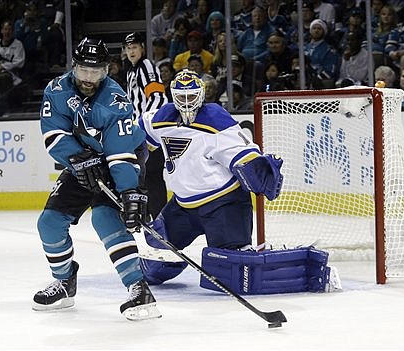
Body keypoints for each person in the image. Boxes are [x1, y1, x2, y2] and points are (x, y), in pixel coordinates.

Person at [33, 37, 160, 321]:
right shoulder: (56, 90)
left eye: (96, 72)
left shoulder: (115, 101)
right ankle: (65, 282)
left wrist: (129, 192)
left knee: (105, 217)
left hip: (121, 156)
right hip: (82, 156)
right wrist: (78, 158)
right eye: (83, 71)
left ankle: (138, 288)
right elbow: (53, 134)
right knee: (49, 224)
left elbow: (120, 153)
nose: (89, 78)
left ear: (106, 70)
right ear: (74, 66)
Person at [137, 69, 283, 285]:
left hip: (224, 206)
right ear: (173, 95)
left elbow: (242, 149)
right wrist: (125, 158)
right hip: (183, 206)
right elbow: (140, 133)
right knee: (154, 265)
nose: (187, 103)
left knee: (233, 275)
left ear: (201, 95)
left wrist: (255, 167)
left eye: (191, 96)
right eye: (181, 97)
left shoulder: (215, 118)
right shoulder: (162, 117)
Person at [123, 32, 169, 220]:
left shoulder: (146, 66)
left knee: (152, 175)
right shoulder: (131, 71)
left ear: (142, 48)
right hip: (139, 133)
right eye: (128, 48)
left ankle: (160, 220)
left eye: (135, 47)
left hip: (149, 132)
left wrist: (144, 125)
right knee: (145, 176)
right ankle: (150, 218)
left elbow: (158, 98)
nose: (131, 51)